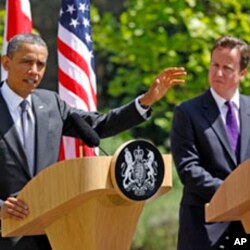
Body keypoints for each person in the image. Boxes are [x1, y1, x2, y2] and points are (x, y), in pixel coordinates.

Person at [0, 33, 186, 249]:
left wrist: (145, 101)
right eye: (27, 62)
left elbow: (98, 125)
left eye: (40, 64)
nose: (34, 70)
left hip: (48, 232)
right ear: (6, 62)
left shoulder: (51, 104)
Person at [170, 35, 250, 250]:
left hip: (245, 232)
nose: (218, 73)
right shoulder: (186, 112)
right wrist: (232, 195)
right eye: (215, 65)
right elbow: (188, 168)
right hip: (204, 230)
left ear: (242, 73)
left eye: (227, 67)